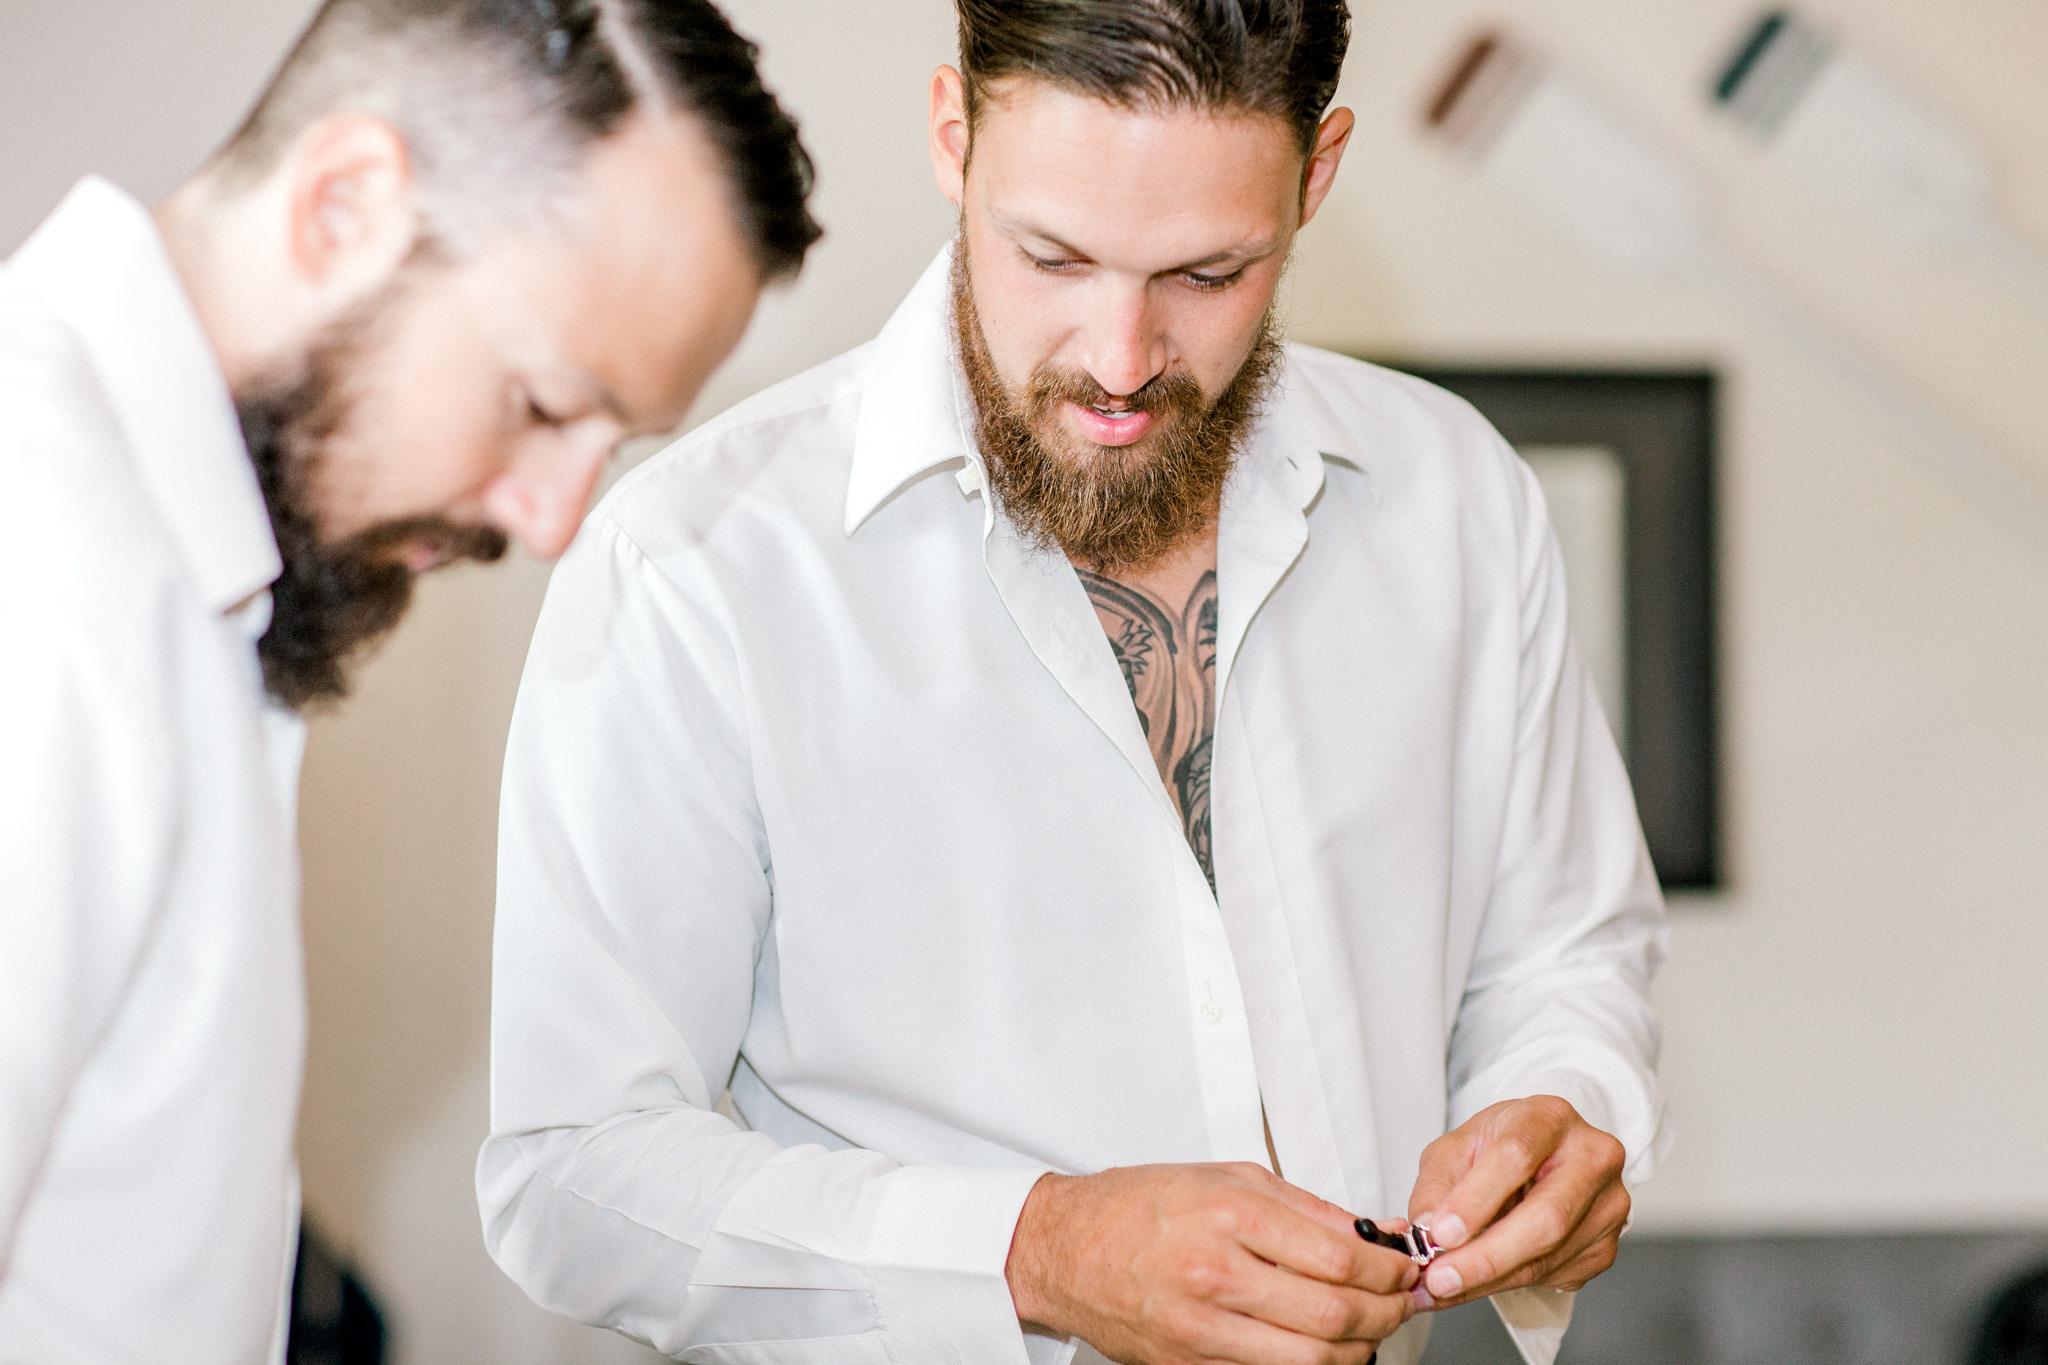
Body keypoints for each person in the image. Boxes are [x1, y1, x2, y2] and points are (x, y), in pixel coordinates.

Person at [478, 2, 1669, 1363]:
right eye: (1051, 254)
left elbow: (1568, 953)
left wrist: (1560, 1104)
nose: (1120, 357)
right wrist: (1035, 1248)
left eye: (1210, 273)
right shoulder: (695, 566)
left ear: (1317, 175)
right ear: (952, 134)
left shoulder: (1456, 497)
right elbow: (572, 1174)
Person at [0, 0, 818, 1360]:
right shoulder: (39, 559)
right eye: (546, 403)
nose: (553, 522)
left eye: (609, 449)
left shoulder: (170, 570)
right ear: (341, 207)